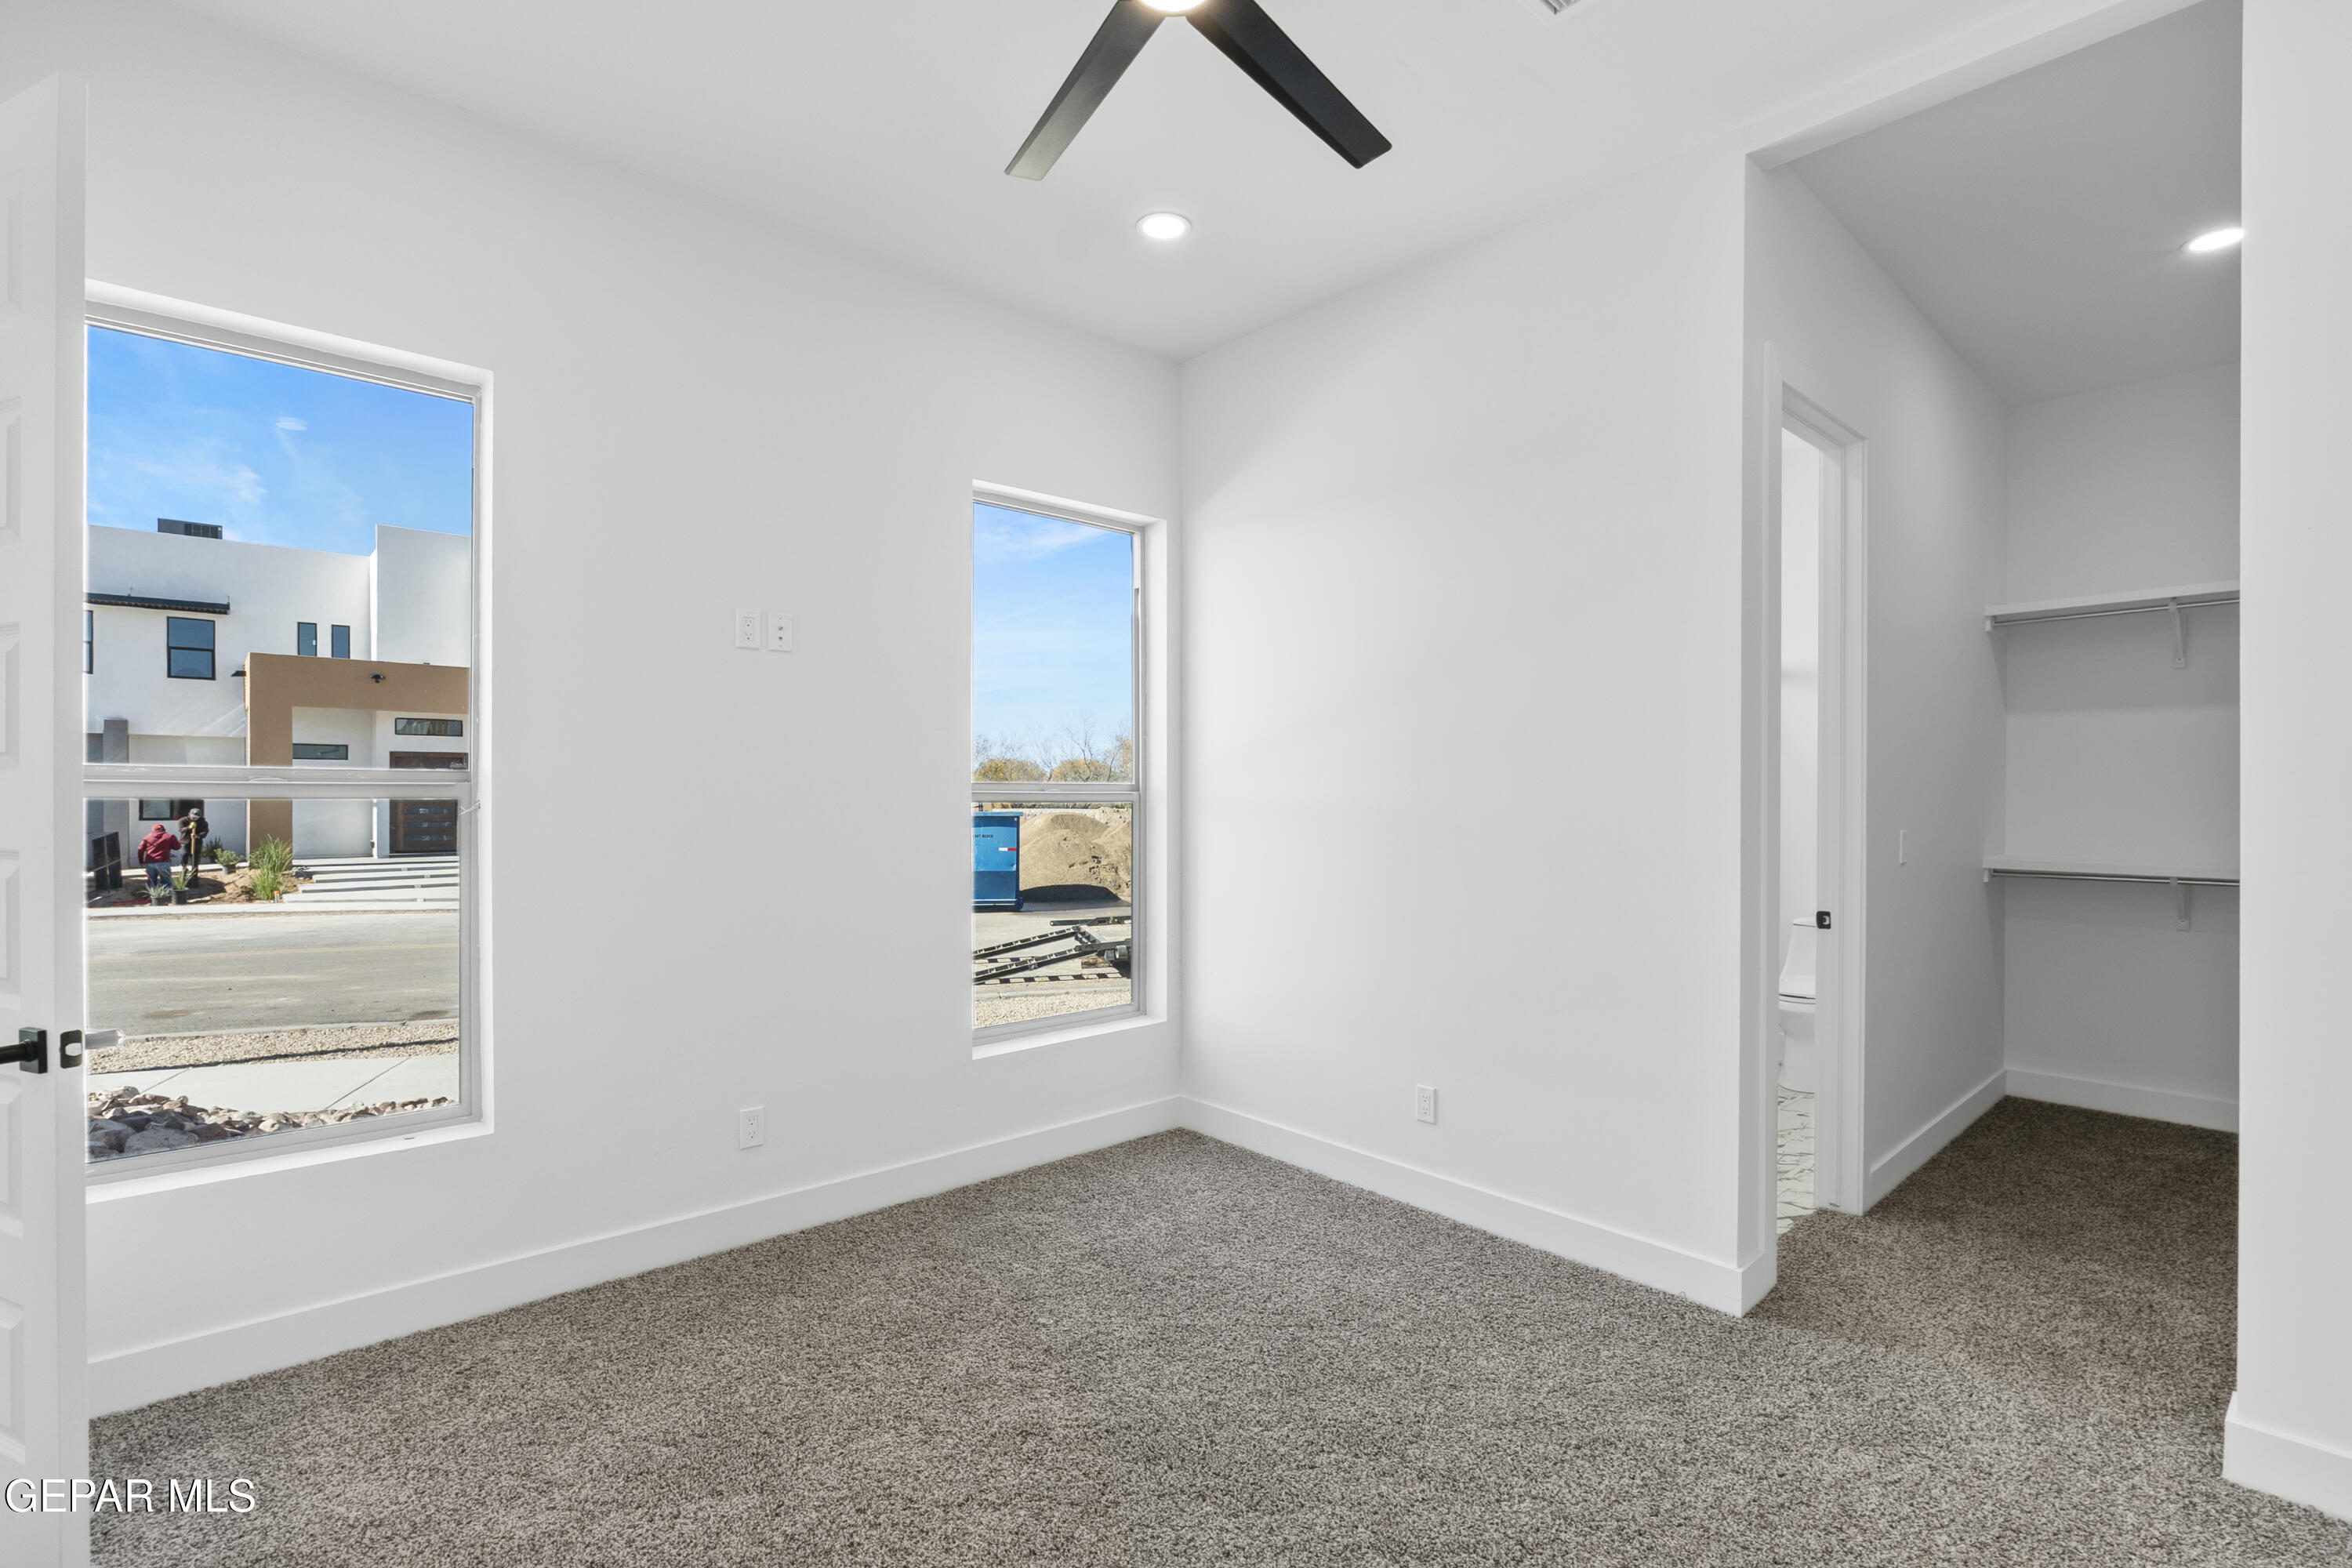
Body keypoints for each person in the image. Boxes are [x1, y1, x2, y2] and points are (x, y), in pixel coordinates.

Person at [136, 821, 180, 894]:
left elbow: (140, 849)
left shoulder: (147, 838)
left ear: (153, 830)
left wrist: (141, 861)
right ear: (164, 830)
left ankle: (153, 897)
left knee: (152, 881)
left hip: (150, 863)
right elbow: (177, 847)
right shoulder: (170, 836)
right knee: (166, 881)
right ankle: (166, 896)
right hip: (163, 862)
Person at [178, 805, 209, 884]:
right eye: (193, 817)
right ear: (189, 814)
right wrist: (189, 828)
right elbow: (181, 830)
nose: (195, 818)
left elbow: (205, 832)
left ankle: (194, 878)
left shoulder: (203, 822)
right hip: (185, 843)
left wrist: (198, 836)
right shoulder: (183, 820)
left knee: (195, 861)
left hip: (197, 844)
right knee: (184, 855)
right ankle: (184, 871)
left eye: (197, 817)